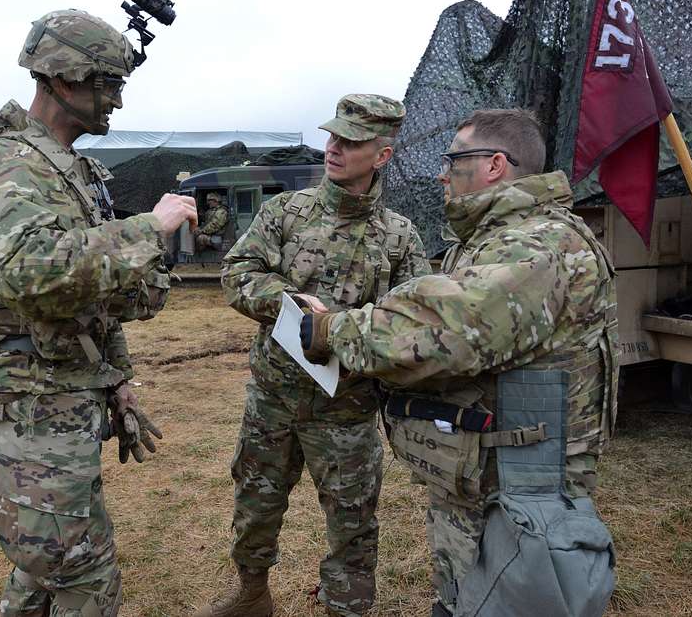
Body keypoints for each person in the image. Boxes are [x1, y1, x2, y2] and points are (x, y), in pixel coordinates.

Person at [301, 109, 619, 616]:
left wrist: (330, 330)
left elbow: (444, 331)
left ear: (495, 165)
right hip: (489, 484)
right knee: (464, 595)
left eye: (454, 159)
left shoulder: (538, 246)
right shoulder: (493, 241)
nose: (441, 173)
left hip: (521, 496)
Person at [0, 8, 196, 616]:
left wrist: (117, 380)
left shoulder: (66, 169)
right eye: (106, 84)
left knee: (44, 567)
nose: (115, 100)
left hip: (63, 392)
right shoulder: (9, 167)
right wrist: (149, 228)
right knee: (81, 570)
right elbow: (34, 274)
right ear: (62, 81)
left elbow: (90, 300)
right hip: (34, 401)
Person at [205, 94, 432, 617]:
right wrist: (286, 302)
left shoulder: (399, 237)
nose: (334, 148)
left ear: (382, 156)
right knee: (255, 503)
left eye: (351, 142)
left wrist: (349, 333)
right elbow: (238, 273)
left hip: (346, 410)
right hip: (273, 400)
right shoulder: (285, 212)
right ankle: (252, 594)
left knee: (353, 521)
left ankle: (346, 607)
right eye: (333, 136)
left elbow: (411, 324)